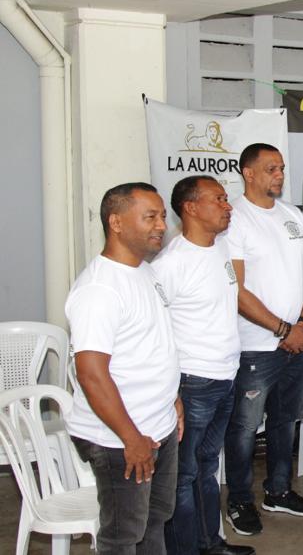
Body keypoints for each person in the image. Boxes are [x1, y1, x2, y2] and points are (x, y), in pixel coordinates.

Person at [65, 182, 183, 554]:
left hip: (157, 425)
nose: (161, 225)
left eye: (163, 215)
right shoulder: (99, 289)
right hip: (118, 438)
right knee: (123, 536)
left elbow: (150, 346)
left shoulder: (145, 272)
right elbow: (91, 373)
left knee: (155, 519)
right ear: (116, 222)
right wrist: (131, 439)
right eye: (150, 216)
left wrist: (172, 399)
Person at [153, 176, 254, 555]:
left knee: (207, 466)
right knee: (182, 475)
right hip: (192, 382)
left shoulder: (220, 248)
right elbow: (157, 333)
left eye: (227, 199)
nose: (228, 206)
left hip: (225, 376)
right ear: (191, 208)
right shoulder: (170, 264)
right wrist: (172, 390)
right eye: (219, 199)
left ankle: (210, 543)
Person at [223, 143, 303, 536]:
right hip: (257, 345)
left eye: (281, 168)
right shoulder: (235, 219)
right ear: (248, 173)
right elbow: (237, 289)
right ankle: (239, 500)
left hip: (297, 338)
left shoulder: (293, 215)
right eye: (271, 169)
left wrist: (301, 322)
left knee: (286, 421)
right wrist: (282, 330)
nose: (279, 175)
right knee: (245, 428)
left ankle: (278, 491)